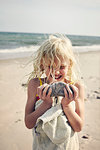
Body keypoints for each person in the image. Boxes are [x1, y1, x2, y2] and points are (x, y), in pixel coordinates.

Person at [24, 34, 84, 150]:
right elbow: (28, 123)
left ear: (69, 65)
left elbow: (78, 127)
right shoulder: (35, 85)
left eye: (61, 67)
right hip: (41, 146)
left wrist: (66, 106)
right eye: (51, 66)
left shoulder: (76, 87)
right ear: (42, 65)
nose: (56, 72)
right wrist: (45, 104)